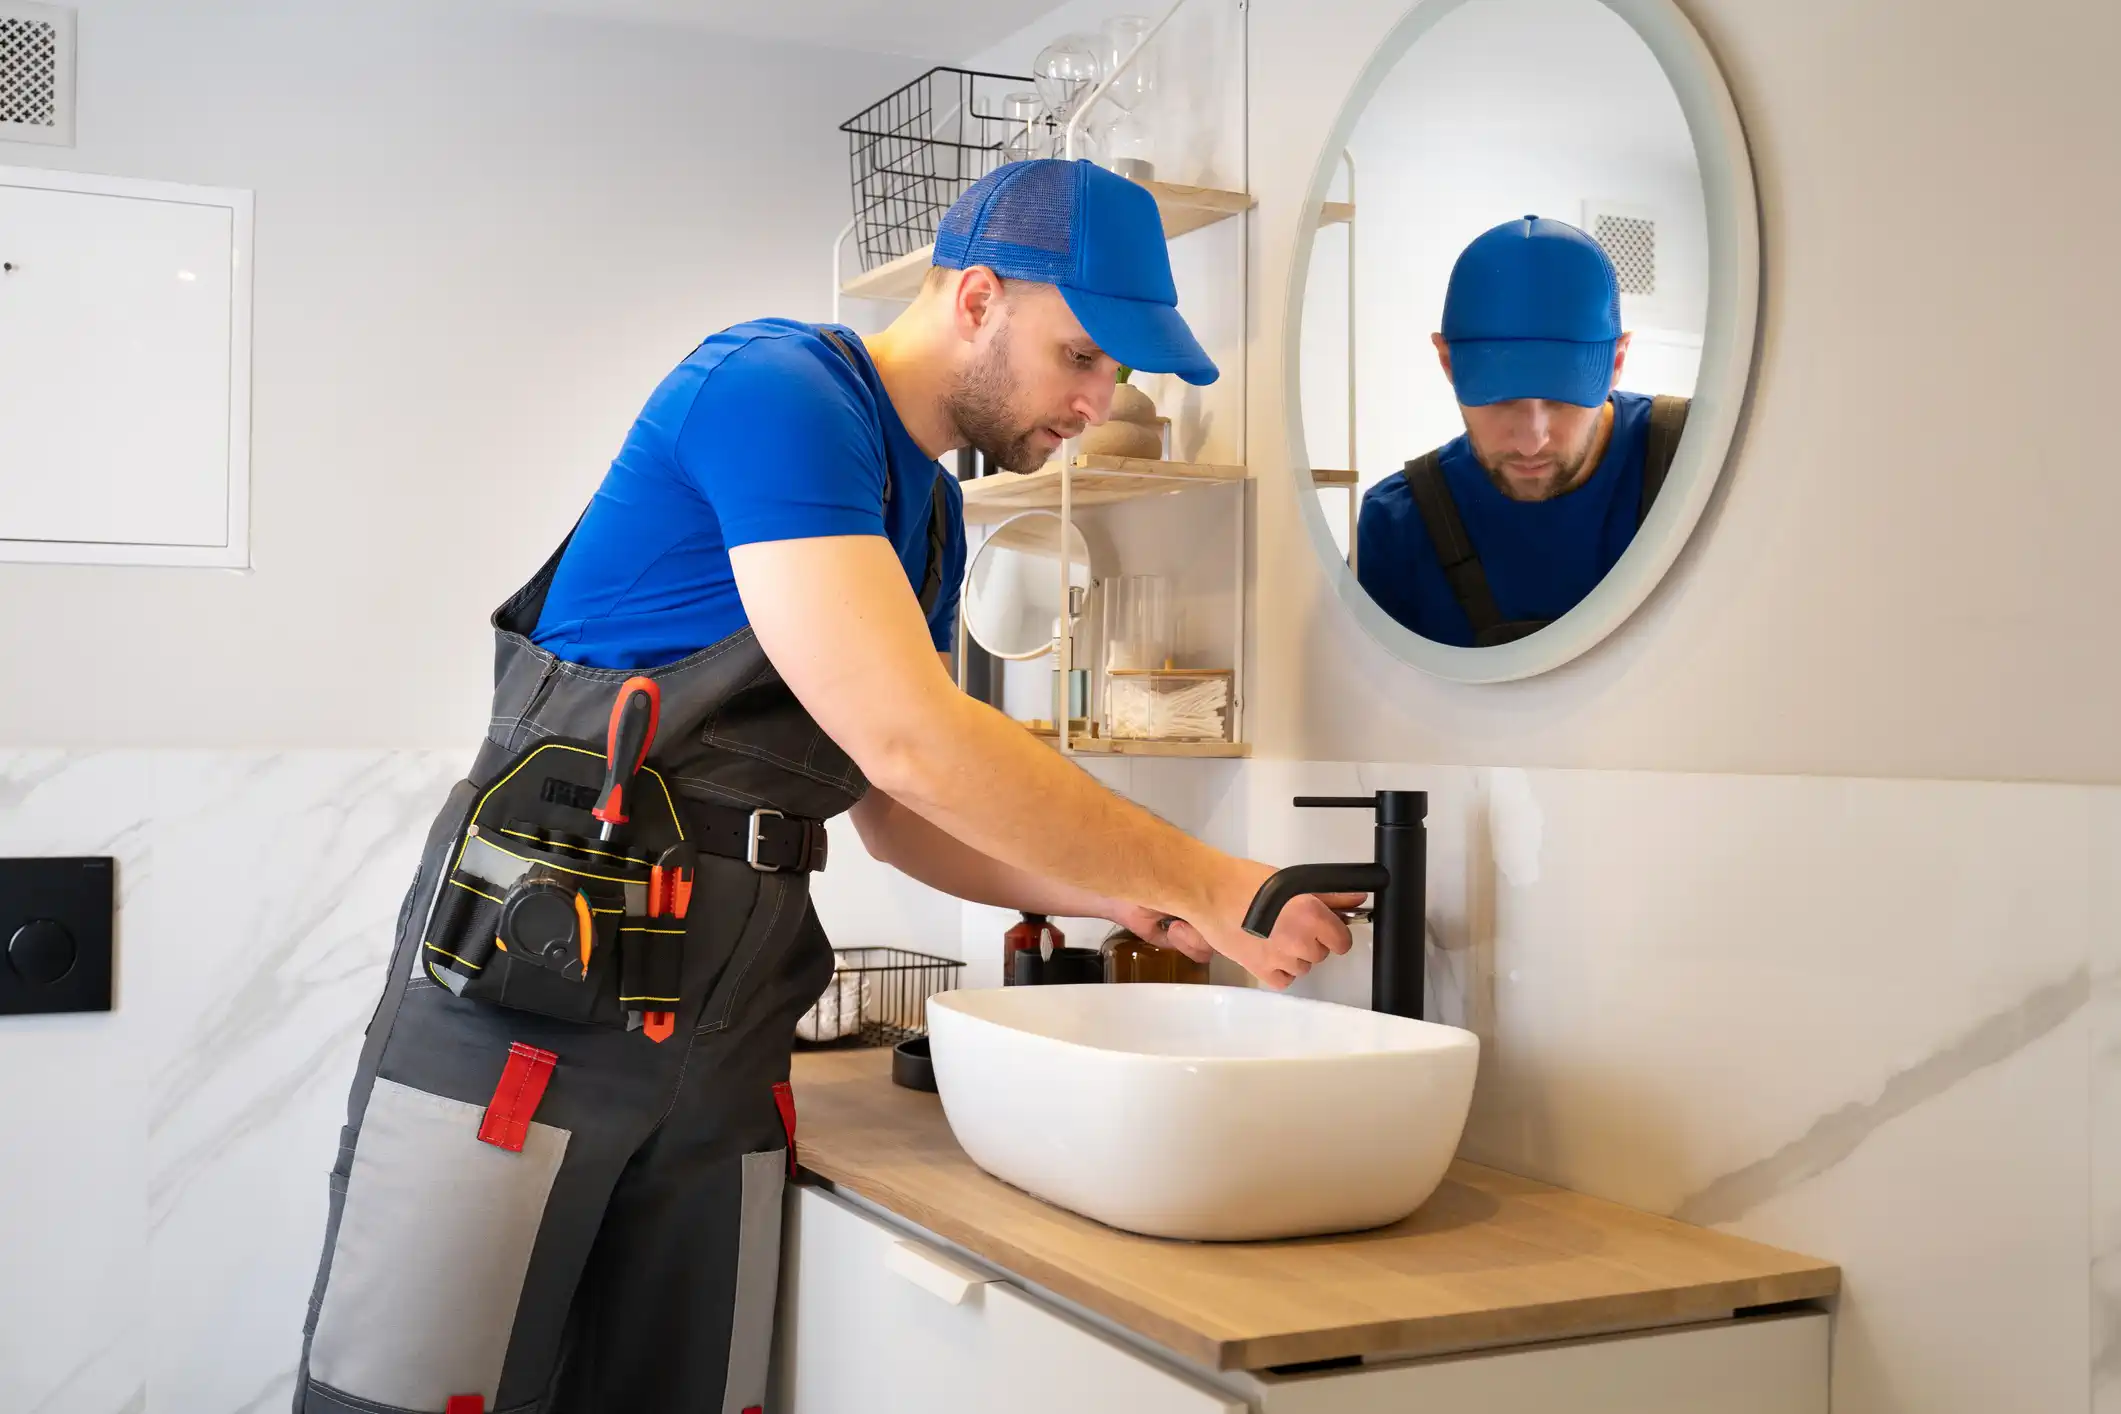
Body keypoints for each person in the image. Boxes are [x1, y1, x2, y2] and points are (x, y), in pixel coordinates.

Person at [293, 158, 1356, 1414]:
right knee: (410, 1397)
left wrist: (1115, 899)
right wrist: (1209, 876)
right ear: (975, 299)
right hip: (530, 1007)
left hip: (725, 1041)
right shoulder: (774, 389)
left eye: (1116, 374)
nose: (1097, 399)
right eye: (1081, 355)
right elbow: (909, 739)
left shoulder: (932, 524)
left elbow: (897, 816)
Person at [1356, 215, 1690, 647]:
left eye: (1561, 400)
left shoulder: (1703, 457)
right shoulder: (1398, 526)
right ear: (1447, 363)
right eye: (1501, 400)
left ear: (1618, 362)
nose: (1532, 441)